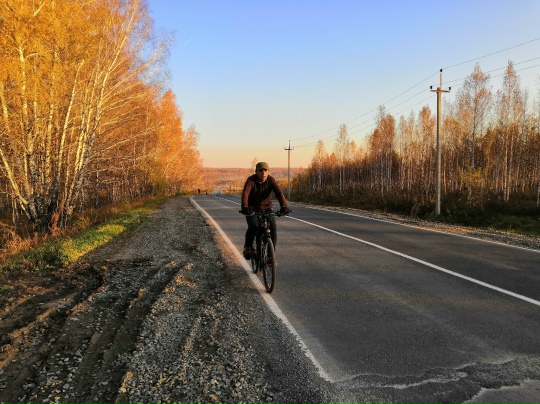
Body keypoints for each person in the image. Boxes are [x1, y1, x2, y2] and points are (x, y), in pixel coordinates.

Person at [239, 162, 291, 260]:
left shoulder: (271, 180)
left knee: (273, 229)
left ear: (268, 172)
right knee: (254, 226)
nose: (263, 173)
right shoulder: (251, 180)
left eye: (265, 170)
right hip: (252, 208)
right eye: (260, 171)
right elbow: (245, 193)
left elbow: (278, 192)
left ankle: (270, 257)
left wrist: (284, 206)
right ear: (256, 172)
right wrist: (245, 207)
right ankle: (248, 246)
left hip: (267, 207)